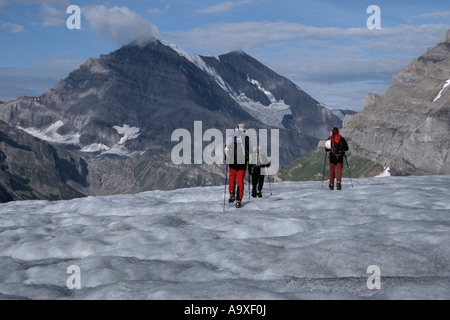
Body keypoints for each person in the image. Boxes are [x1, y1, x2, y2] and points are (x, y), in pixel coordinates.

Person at [224, 123, 251, 208]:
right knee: (240, 180)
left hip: (231, 161)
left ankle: (232, 194)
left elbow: (226, 148)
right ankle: (238, 200)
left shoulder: (230, 136)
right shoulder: (246, 137)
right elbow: (249, 150)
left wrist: (226, 158)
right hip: (242, 162)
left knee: (232, 176)